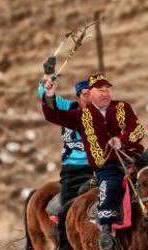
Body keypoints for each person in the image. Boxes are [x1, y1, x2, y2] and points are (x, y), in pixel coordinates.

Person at [41, 73, 145, 250]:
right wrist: (49, 95)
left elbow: (137, 130)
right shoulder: (82, 115)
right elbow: (53, 115)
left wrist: (121, 139)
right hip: (108, 166)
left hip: (134, 159)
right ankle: (106, 231)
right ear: (91, 93)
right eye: (100, 89)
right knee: (110, 186)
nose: (105, 93)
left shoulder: (122, 107)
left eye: (107, 89)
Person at [37, 56, 93, 233]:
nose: (90, 98)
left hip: (96, 167)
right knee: (67, 211)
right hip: (73, 168)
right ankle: (65, 244)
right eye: (86, 94)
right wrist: (48, 74)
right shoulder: (68, 108)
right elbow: (46, 96)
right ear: (78, 97)